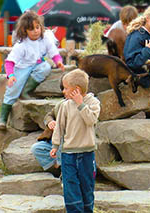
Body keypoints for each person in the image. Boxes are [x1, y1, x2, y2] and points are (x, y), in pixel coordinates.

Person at [0, 10, 65, 130]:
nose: (36, 31)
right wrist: (11, 75)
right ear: (25, 30)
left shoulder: (45, 39)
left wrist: (58, 61)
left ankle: (26, 91)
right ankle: (3, 119)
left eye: (37, 27)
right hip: (21, 67)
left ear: (41, 27)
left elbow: (53, 52)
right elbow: (9, 61)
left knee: (45, 67)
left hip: (37, 64)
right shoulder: (21, 45)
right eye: (32, 29)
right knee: (13, 90)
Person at [50, 69, 101, 213]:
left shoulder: (93, 103)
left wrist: (80, 104)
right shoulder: (65, 106)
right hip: (68, 154)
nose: (63, 92)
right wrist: (55, 145)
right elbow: (59, 126)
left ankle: (87, 210)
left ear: (76, 90)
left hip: (86, 154)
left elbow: (91, 120)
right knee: (70, 185)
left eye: (66, 88)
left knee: (87, 185)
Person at [31, 76, 65, 178]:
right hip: (54, 140)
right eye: (63, 89)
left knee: (62, 140)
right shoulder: (61, 105)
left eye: (66, 89)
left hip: (67, 141)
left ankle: (63, 168)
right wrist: (50, 122)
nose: (64, 92)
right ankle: (58, 166)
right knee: (36, 148)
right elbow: (48, 115)